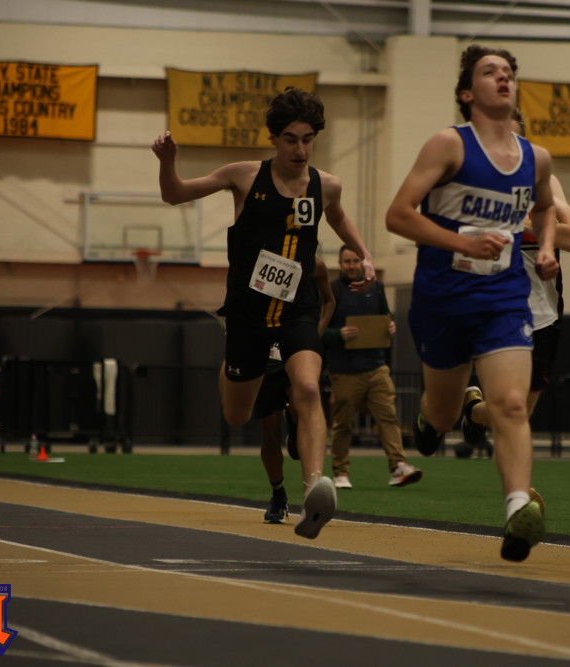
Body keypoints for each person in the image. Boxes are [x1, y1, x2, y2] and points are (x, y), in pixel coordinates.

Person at [152, 88, 376, 540]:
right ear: (273, 138)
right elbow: (174, 195)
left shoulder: (326, 184)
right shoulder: (244, 176)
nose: (300, 149)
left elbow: (337, 216)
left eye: (308, 140)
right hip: (248, 313)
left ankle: (314, 492)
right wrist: (167, 161)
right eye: (291, 139)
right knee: (237, 415)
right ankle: (231, 369)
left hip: (298, 308)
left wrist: (364, 253)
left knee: (308, 387)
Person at [386, 45, 559, 562]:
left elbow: (546, 207)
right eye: (490, 72)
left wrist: (546, 247)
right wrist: (463, 242)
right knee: (442, 414)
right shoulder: (449, 145)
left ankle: (518, 511)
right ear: (467, 92)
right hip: (443, 299)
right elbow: (398, 215)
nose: (503, 78)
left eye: (508, 72)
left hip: (504, 298)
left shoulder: (537, 158)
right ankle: (433, 419)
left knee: (511, 404)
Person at [459, 109, 570, 452]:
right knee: (511, 411)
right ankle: (515, 482)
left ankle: (475, 411)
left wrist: (520, 222)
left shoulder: (545, 182)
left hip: (542, 311)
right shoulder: (470, 184)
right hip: (495, 306)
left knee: (520, 413)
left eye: (512, 138)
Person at [323, 245, 423, 489]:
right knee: (343, 424)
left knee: (388, 416)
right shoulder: (332, 290)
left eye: (355, 261)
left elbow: (386, 316)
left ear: (363, 262)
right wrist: (338, 334)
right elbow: (319, 330)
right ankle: (341, 472)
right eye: (347, 261)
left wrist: (390, 326)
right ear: (339, 264)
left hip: (377, 366)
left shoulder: (376, 288)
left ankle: (398, 465)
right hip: (345, 371)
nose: (351, 266)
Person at [255, 256, 335, 523]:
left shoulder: (315, 264)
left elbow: (330, 301)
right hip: (267, 358)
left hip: (297, 353)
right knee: (270, 433)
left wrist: (314, 337)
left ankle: (311, 494)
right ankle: (278, 493)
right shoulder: (259, 260)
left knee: (306, 407)